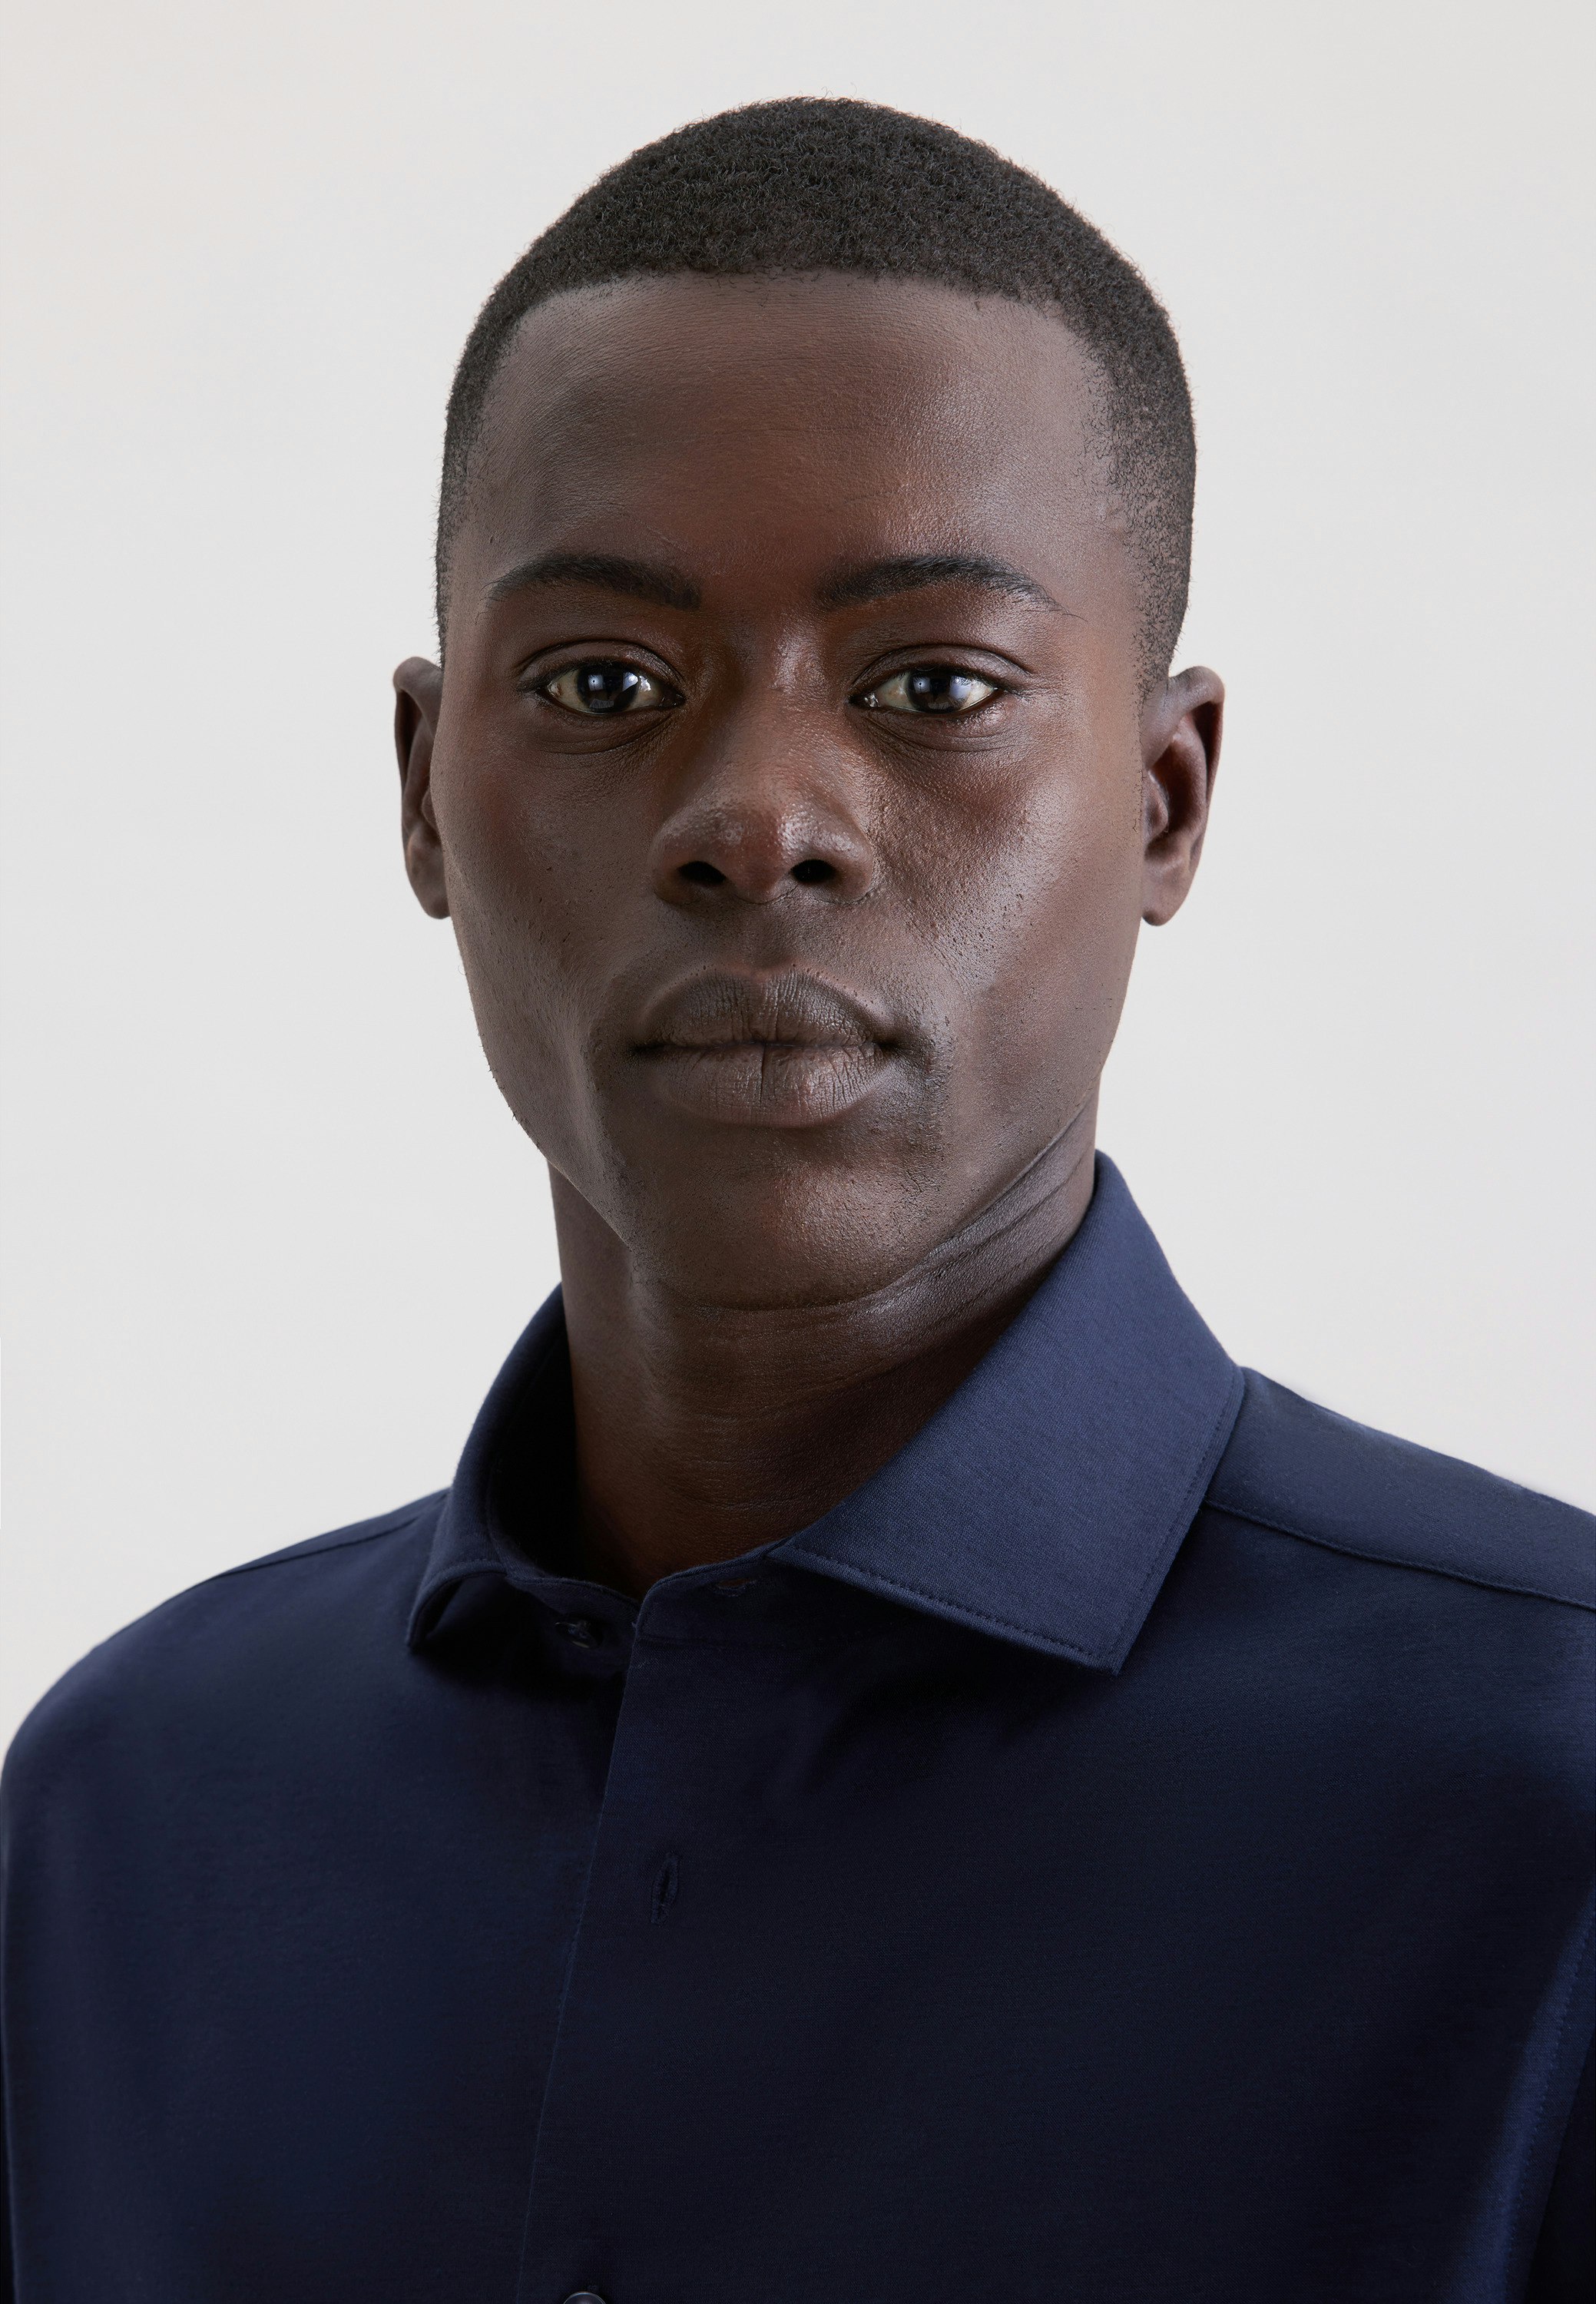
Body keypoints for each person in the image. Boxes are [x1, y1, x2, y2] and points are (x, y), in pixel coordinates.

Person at [2, 98, 1590, 2304]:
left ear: (1165, 798)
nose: (760, 819)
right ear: (426, 794)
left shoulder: (1550, 1801)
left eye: (934, 686)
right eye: (604, 686)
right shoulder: (119, 1820)